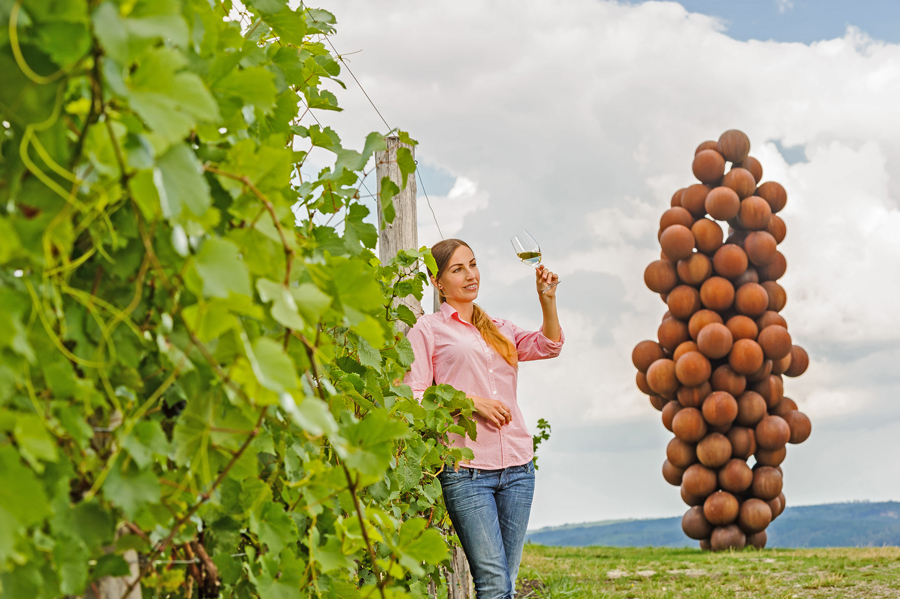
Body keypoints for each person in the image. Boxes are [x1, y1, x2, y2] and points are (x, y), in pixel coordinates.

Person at [404, 238, 564, 599]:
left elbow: (549, 345)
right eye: (458, 269)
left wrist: (547, 300)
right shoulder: (427, 330)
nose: (470, 275)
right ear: (437, 282)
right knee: (493, 584)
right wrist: (470, 402)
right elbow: (412, 397)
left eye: (473, 265)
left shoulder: (499, 326)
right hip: (468, 471)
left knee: (505, 582)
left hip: (519, 469)